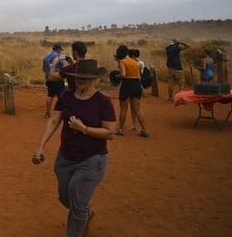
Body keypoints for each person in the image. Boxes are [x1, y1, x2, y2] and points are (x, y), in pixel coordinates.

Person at [32, 59, 116, 237]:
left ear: (94, 79)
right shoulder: (66, 96)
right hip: (66, 157)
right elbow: (54, 120)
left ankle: (77, 225)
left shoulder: (102, 101)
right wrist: (41, 146)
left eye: (85, 78)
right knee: (65, 197)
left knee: (77, 205)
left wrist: (84, 129)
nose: (80, 81)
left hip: (92, 159)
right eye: (78, 77)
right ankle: (86, 212)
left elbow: (110, 132)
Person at [114, 45, 149, 138]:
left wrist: (117, 76)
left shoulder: (122, 62)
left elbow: (123, 75)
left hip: (127, 85)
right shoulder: (135, 62)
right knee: (137, 109)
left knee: (123, 108)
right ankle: (144, 130)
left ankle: (120, 130)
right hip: (137, 85)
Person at [43, 44, 67, 118]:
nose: (60, 51)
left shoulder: (46, 57)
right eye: (60, 50)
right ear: (57, 49)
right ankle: (61, 113)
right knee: (61, 96)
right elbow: (64, 66)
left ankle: (47, 113)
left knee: (50, 95)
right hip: (57, 78)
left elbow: (44, 69)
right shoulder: (59, 56)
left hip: (49, 78)